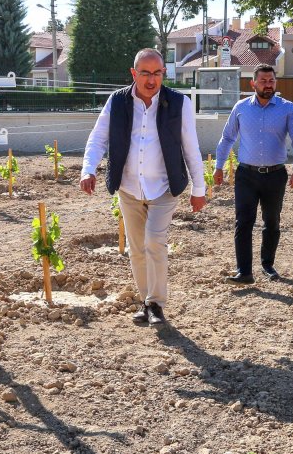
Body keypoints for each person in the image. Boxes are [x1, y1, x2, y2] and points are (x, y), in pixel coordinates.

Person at [80, 48, 208, 325]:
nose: (152, 80)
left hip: (164, 187)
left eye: (157, 73)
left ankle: (157, 304)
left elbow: (191, 147)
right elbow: (98, 138)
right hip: (129, 188)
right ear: (133, 73)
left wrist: (200, 189)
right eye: (146, 73)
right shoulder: (117, 101)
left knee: (154, 242)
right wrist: (88, 169)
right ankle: (145, 301)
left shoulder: (179, 103)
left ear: (164, 73)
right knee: (136, 248)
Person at [212, 63, 293, 283]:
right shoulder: (241, 108)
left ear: (276, 82)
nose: (267, 85)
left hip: (275, 175)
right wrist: (219, 166)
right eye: (263, 81)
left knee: (271, 221)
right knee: (243, 221)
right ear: (252, 83)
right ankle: (244, 271)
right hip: (246, 175)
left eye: (271, 80)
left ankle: (268, 264)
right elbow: (227, 138)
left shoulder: (288, 108)